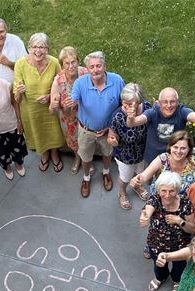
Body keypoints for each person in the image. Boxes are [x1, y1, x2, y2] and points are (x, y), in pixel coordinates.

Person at [71, 51, 125, 198]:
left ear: (104, 66)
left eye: (98, 66)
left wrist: (110, 128)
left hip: (109, 129)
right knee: (86, 157)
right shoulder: (80, 83)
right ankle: (86, 178)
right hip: (86, 130)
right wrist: (69, 103)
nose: (95, 70)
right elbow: (73, 100)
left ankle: (106, 173)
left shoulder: (117, 81)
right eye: (92, 67)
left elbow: (123, 106)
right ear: (87, 69)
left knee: (107, 153)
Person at [14, 33, 64, 173]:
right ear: (29, 48)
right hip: (30, 110)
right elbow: (16, 98)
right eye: (34, 47)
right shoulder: (20, 65)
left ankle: (54, 153)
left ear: (47, 49)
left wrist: (49, 96)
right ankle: (44, 153)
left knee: (53, 130)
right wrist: (19, 91)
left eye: (42, 47)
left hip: (50, 108)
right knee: (38, 132)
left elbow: (62, 86)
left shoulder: (54, 63)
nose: (38, 50)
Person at [140, 171, 195, 291]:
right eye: (163, 191)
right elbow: (148, 209)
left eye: (172, 191)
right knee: (159, 265)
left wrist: (180, 221)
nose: (167, 195)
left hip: (180, 247)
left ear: (177, 190)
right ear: (158, 190)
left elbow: (193, 229)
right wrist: (145, 216)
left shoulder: (185, 203)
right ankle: (161, 277)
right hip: (157, 244)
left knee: (179, 267)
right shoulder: (155, 199)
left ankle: (177, 281)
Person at [126, 87, 195, 163]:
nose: (169, 105)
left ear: (177, 102)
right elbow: (133, 123)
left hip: (175, 158)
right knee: (148, 180)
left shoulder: (181, 111)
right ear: (159, 103)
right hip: (152, 157)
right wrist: (131, 118)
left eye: (172, 102)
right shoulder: (153, 112)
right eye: (165, 102)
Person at [107, 83, 152, 209]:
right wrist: (113, 140)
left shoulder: (147, 107)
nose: (126, 105)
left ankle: (137, 186)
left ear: (139, 102)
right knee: (125, 177)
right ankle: (122, 193)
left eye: (131, 103)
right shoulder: (118, 116)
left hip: (142, 151)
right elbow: (111, 136)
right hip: (125, 154)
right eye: (124, 102)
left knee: (140, 173)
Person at [48, 46, 89, 175]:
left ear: (78, 62)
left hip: (86, 113)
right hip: (68, 118)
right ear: (62, 65)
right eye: (67, 63)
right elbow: (51, 110)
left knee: (87, 140)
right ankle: (77, 159)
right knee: (73, 141)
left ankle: (87, 161)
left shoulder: (85, 73)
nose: (71, 66)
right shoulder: (58, 81)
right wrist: (54, 104)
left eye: (73, 62)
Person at [131, 130, 195, 196]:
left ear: (189, 149)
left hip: (184, 204)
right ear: (170, 147)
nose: (178, 151)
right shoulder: (162, 160)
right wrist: (138, 181)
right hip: (159, 201)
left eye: (183, 148)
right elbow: (145, 175)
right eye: (175, 147)